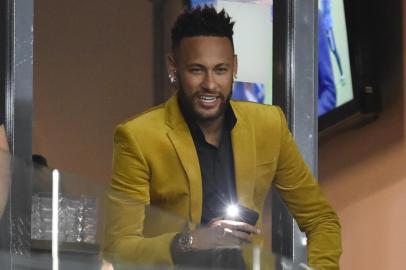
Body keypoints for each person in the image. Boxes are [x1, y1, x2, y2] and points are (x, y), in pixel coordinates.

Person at [104, 6, 342, 270]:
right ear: (174, 68)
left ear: (235, 68)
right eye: (196, 70)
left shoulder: (269, 125)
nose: (210, 84)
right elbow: (120, 248)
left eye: (220, 69)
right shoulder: (138, 137)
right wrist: (191, 240)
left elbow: (321, 219)